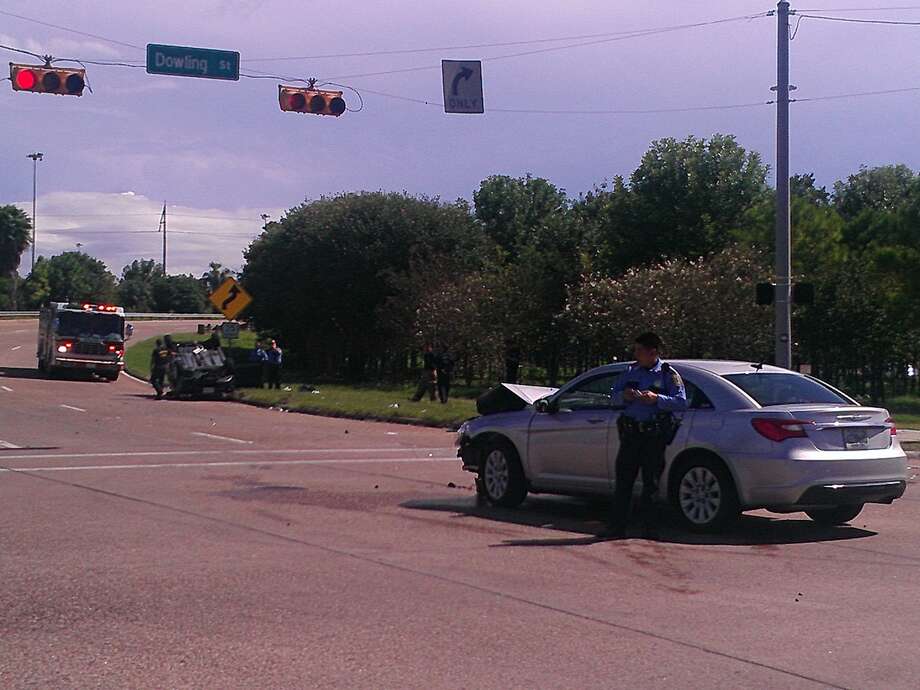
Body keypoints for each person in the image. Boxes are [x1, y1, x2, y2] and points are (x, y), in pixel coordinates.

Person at [599, 332, 687, 540]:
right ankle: (616, 528)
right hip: (630, 434)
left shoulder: (668, 374)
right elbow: (613, 397)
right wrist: (624, 396)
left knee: (651, 484)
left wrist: (657, 398)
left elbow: (681, 401)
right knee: (623, 482)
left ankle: (650, 530)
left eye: (640, 350)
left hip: (653, 436)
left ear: (652, 352)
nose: (636, 353)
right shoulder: (631, 371)